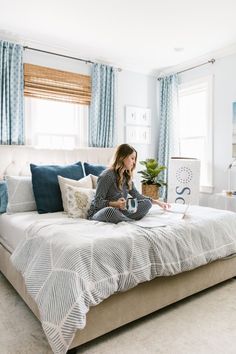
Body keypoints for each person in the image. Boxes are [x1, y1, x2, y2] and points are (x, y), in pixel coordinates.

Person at [87, 144, 170, 224]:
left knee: (147, 203)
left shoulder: (126, 177)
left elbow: (137, 196)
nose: (134, 162)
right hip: (100, 212)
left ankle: (123, 218)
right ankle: (127, 219)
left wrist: (158, 202)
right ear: (122, 157)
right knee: (110, 211)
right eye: (132, 158)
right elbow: (97, 202)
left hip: (120, 211)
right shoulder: (107, 176)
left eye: (134, 159)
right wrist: (115, 204)